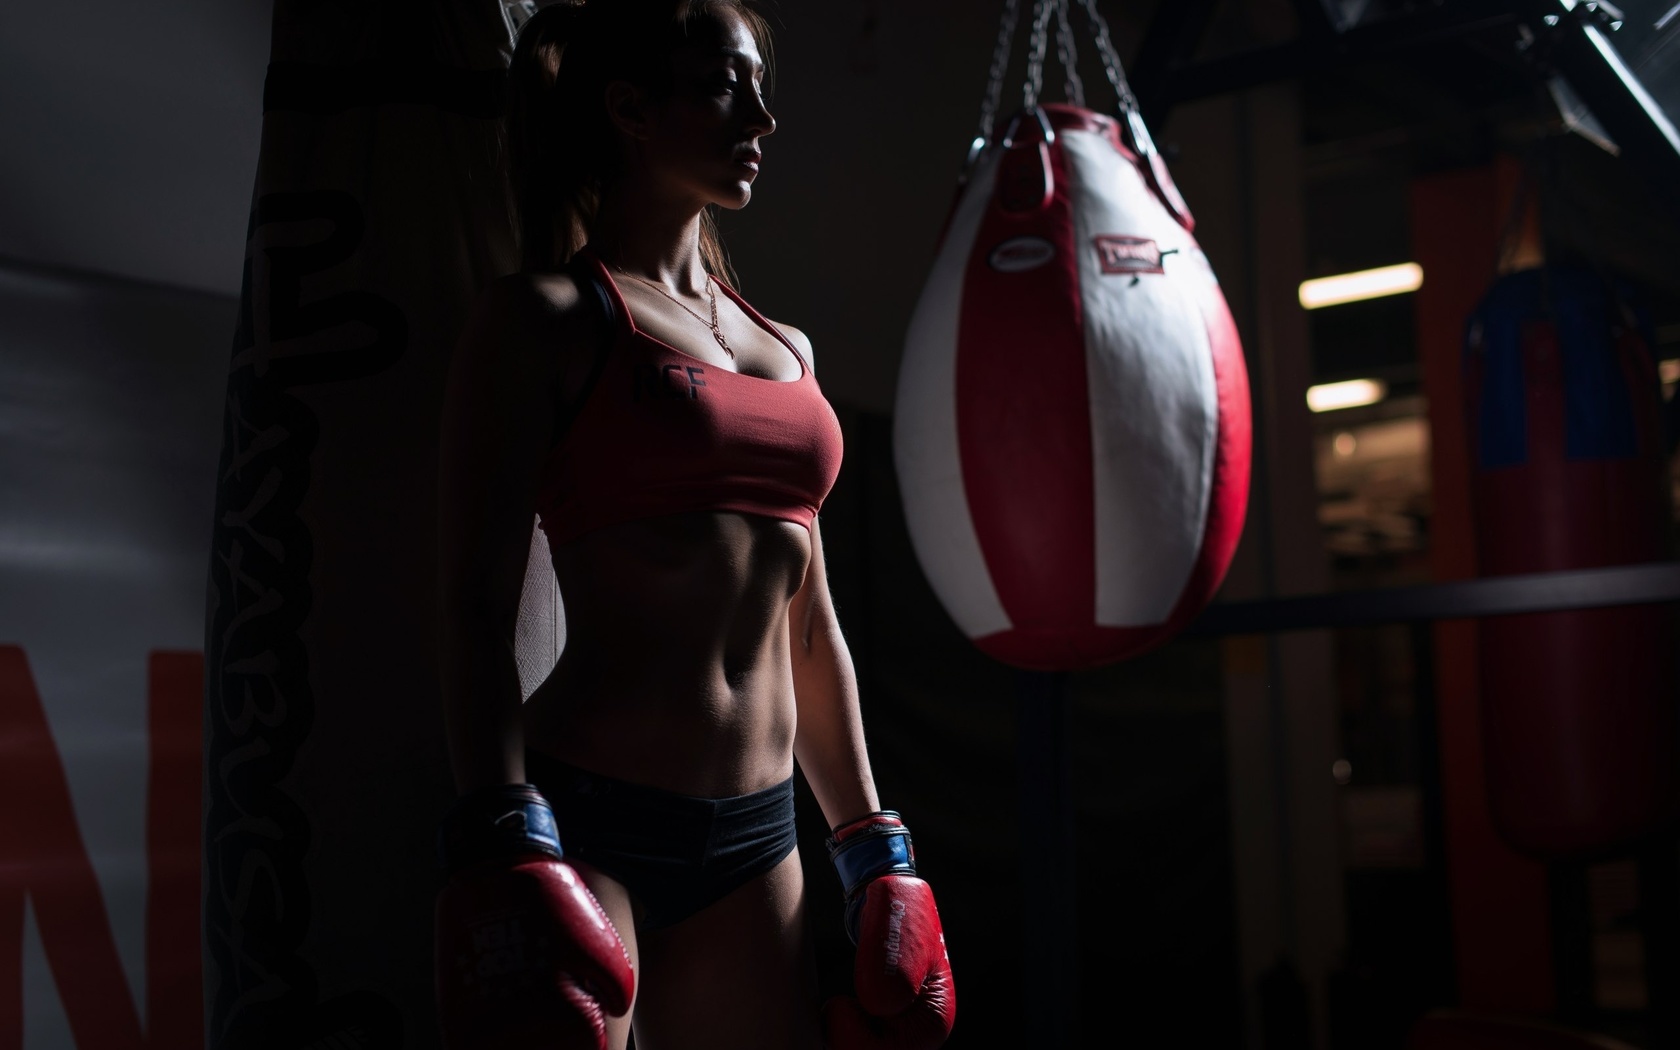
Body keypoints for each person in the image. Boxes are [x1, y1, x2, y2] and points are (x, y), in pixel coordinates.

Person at [433, 2, 955, 1048]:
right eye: (729, 85)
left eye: (763, 87)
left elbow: (809, 628)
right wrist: (505, 831)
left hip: (758, 840)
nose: (762, 116)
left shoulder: (789, 352)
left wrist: (869, 843)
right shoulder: (546, 319)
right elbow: (476, 604)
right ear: (631, 109)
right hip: (591, 818)